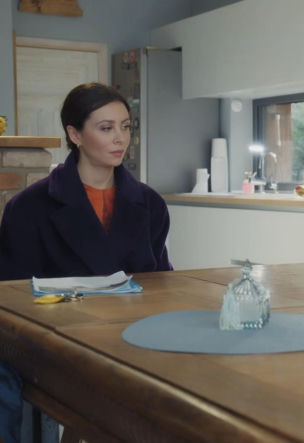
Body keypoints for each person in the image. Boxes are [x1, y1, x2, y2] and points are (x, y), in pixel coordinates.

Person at [0, 82, 173, 441]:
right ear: (75, 134)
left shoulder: (150, 204)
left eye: (125, 126)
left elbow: (161, 282)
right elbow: (11, 297)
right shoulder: (28, 207)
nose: (120, 138)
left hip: (134, 339)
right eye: (106, 128)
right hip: (57, 344)